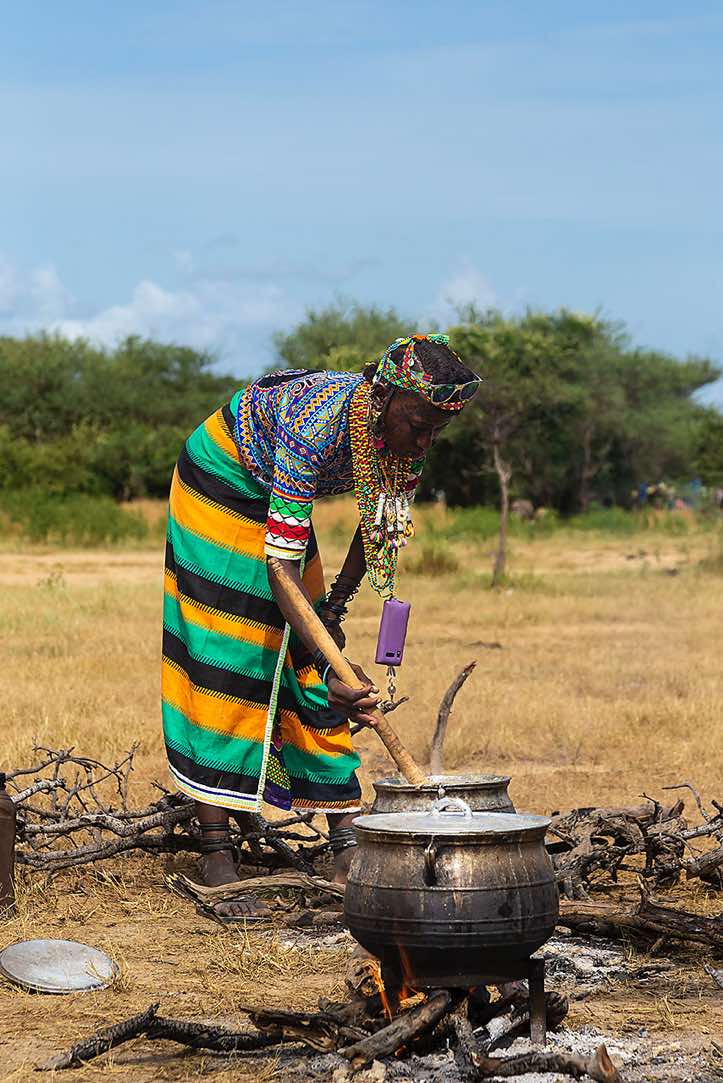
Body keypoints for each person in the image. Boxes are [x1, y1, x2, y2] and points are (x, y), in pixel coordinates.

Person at [161, 334, 481, 917]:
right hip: (220, 477)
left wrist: (333, 612)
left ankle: (345, 843)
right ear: (384, 395)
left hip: (277, 504)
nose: (425, 439)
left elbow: (376, 525)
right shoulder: (314, 423)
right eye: (419, 422)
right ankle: (215, 855)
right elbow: (279, 570)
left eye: (438, 428)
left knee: (316, 661)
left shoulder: (406, 440)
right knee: (230, 655)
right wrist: (319, 641)